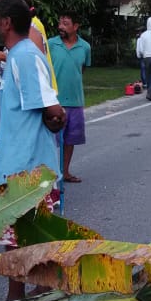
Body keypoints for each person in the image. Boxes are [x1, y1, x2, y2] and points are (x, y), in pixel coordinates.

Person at [0, 0, 66, 301]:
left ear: (5, 23)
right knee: (19, 243)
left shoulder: (24, 56)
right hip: (19, 165)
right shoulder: (17, 55)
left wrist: (57, 119)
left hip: (28, 169)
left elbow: (53, 109)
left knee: (23, 244)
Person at [47, 13, 91, 183]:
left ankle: (64, 172)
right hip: (54, 102)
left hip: (76, 101)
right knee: (51, 141)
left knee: (70, 140)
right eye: (60, 23)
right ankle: (50, 175)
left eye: (65, 23)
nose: (61, 27)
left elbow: (82, 69)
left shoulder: (85, 47)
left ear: (75, 26)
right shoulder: (51, 44)